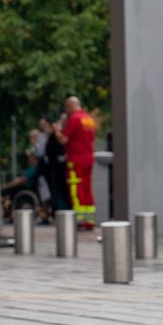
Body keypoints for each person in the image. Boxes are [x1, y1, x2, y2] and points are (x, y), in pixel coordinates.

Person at [55, 96, 97, 228]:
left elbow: (64, 140)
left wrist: (56, 131)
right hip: (88, 158)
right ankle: (89, 220)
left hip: (76, 159)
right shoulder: (88, 119)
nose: (67, 111)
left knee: (76, 189)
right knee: (87, 189)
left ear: (71, 105)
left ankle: (79, 219)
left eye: (67, 107)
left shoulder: (74, 119)